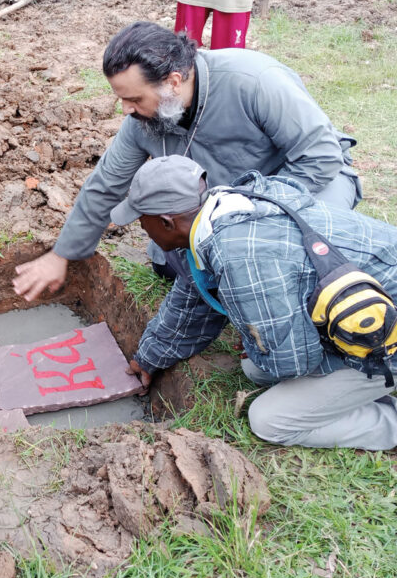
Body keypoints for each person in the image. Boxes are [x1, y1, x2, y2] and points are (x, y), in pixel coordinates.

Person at [12, 21, 360, 299]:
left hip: (304, 186)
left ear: (173, 82)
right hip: (218, 205)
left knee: (301, 261)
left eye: (133, 98)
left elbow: (320, 157)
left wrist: (250, 216)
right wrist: (62, 254)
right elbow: (105, 186)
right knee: (169, 263)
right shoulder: (144, 118)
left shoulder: (253, 81)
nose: (125, 109)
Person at [111, 154, 397, 450]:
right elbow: (193, 297)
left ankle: (388, 422)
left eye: (141, 221)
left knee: (269, 419)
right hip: (367, 310)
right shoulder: (227, 209)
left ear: (166, 222)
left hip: (382, 338)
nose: (141, 228)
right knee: (256, 369)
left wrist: (259, 346)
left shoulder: (239, 257)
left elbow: (292, 363)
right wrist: (149, 357)